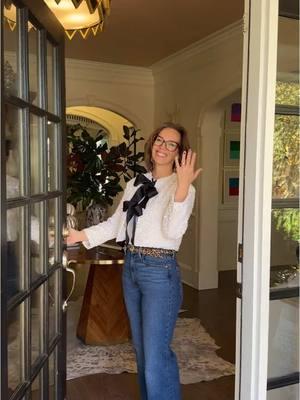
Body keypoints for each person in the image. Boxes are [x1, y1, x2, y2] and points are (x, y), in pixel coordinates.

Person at [67, 122, 202, 400]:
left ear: (179, 152)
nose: (163, 147)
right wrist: (80, 235)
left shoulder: (182, 187)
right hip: (131, 269)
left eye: (171, 144)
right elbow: (117, 223)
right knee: (141, 353)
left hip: (159, 273)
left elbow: (173, 231)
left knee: (156, 357)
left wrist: (183, 186)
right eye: (160, 140)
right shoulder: (134, 184)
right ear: (152, 144)